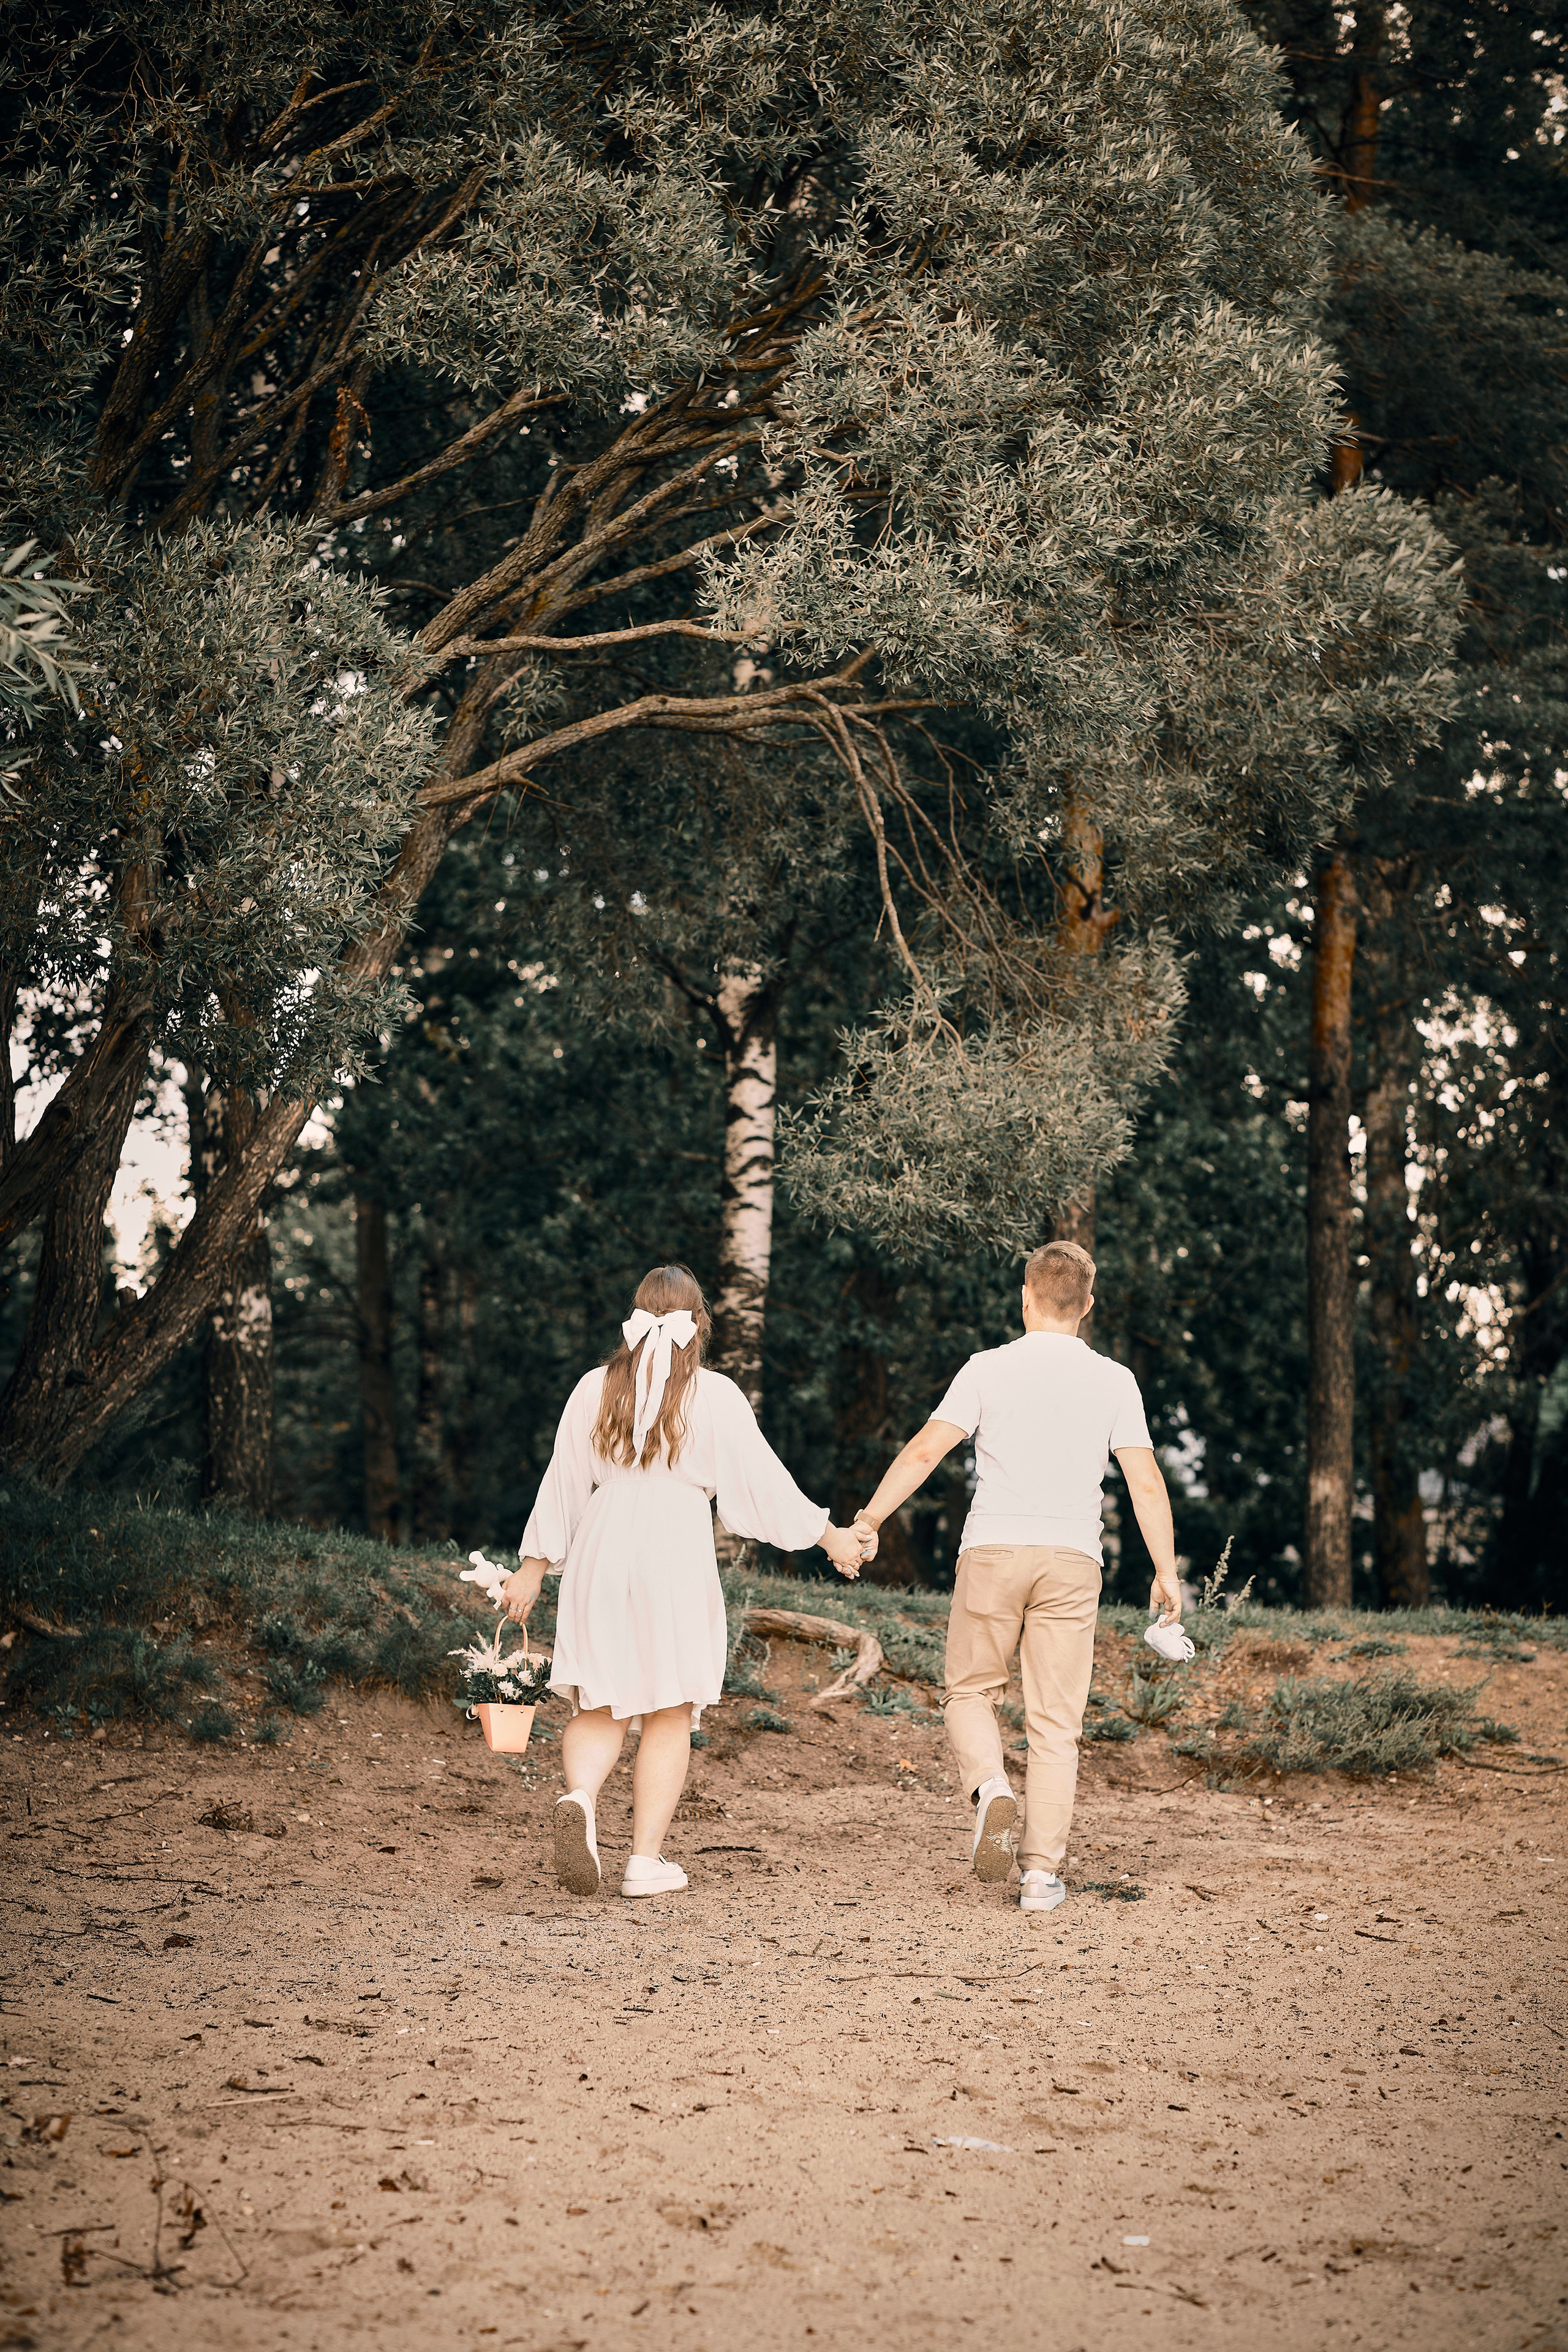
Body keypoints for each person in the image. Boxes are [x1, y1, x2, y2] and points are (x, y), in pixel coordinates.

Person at [500, 1263, 867, 1899]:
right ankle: (644, 1861)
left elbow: (561, 1482)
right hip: (674, 1545)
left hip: (603, 1541)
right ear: (698, 1324)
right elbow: (764, 1483)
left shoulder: (594, 1388)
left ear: (636, 1319)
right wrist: (831, 1536)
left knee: (600, 1698)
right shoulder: (714, 1394)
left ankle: (581, 1799)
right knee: (670, 1707)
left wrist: (532, 1568)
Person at [850, 1240, 1181, 1915]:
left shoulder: (986, 1369)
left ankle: (991, 1789)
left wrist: (869, 1518)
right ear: (1087, 1305)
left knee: (970, 1690)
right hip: (1071, 1559)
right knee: (1056, 1723)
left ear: (1025, 1299)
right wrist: (1165, 1571)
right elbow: (1144, 1482)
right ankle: (1039, 1876)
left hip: (994, 1550)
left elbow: (923, 1450)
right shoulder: (1114, 1379)